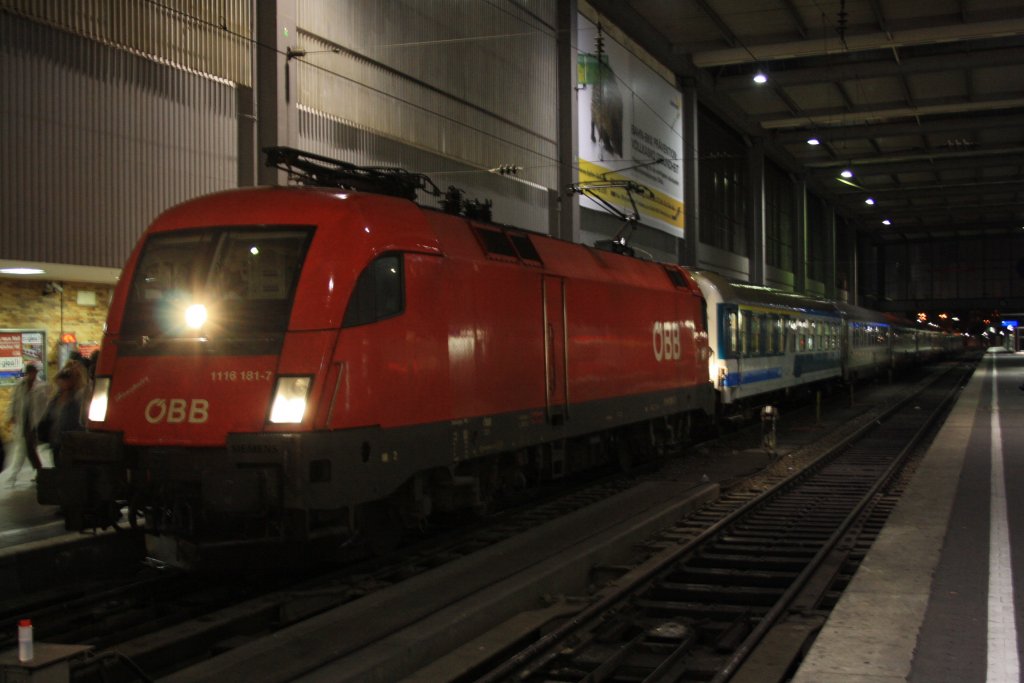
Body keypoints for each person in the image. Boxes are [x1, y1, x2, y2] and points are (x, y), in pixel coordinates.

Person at [4, 364, 49, 482]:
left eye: (33, 373)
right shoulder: (20, 386)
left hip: (34, 422)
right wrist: (11, 415)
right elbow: (14, 401)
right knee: (27, 448)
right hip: (23, 420)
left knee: (27, 448)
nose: (31, 375)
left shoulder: (41, 386)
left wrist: (43, 420)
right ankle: (39, 472)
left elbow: (44, 404)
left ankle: (17, 473)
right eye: (29, 373)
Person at [42, 368, 85, 463]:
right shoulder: (54, 400)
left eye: (64, 381)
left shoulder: (77, 399)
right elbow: (49, 418)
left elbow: (79, 422)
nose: (60, 384)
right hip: (56, 440)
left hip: (71, 442)